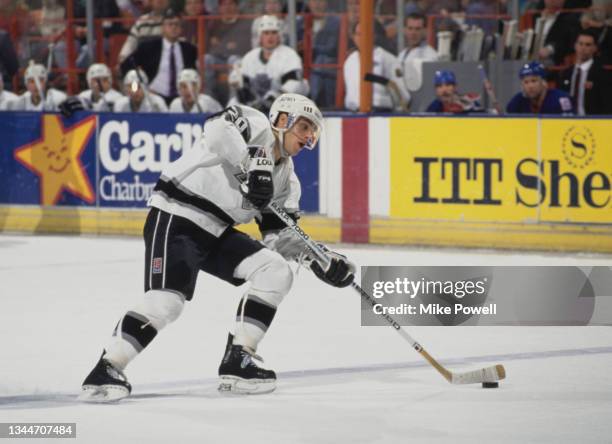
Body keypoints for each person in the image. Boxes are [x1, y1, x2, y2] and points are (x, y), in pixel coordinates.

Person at [79, 93, 355, 401]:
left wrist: (318, 257)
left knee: (275, 270)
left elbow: (279, 237)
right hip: (178, 213)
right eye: (304, 127)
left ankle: (238, 360)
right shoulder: (257, 124)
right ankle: (106, 367)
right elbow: (217, 129)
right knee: (166, 302)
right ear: (282, 119)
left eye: (313, 131)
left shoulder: (287, 181)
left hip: (216, 230)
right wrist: (252, 166)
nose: (309, 136)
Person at [229, 15, 309, 113]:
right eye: (266, 33)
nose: (270, 37)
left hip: (285, 107)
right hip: (256, 105)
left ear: (279, 35)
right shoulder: (250, 57)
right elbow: (241, 83)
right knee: (232, 103)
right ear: (260, 36)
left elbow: (294, 84)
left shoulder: (289, 55)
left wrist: (272, 100)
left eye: (274, 33)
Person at [121, 9, 198, 106]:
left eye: (177, 24)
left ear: (181, 28)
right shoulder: (149, 47)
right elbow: (126, 65)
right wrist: (141, 87)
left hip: (182, 98)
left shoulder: (189, 49)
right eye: (170, 24)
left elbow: (194, 73)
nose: (173, 27)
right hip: (153, 96)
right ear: (162, 27)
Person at [344, 23, 409, 112]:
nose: (361, 38)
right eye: (358, 34)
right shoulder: (349, 61)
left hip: (381, 114)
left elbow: (403, 96)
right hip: (352, 115)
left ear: (373, 36)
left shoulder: (388, 59)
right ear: (353, 37)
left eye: (365, 34)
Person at [558, 30, 611, 115]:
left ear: (595, 48)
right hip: (567, 121)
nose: (583, 48)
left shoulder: (602, 74)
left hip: (593, 122)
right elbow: (561, 99)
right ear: (575, 45)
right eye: (580, 44)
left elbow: (607, 104)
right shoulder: (565, 73)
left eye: (588, 45)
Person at [506, 61, 573, 114]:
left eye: (534, 81)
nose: (530, 86)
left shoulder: (561, 99)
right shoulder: (517, 102)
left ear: (544, 83)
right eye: (526, 82)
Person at [396, 13, 439, 92]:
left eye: (417, 29)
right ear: (405, 30)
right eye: (410, 28)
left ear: (425, 31)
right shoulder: (401, 54)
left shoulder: (430, 56)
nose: (413, 33)